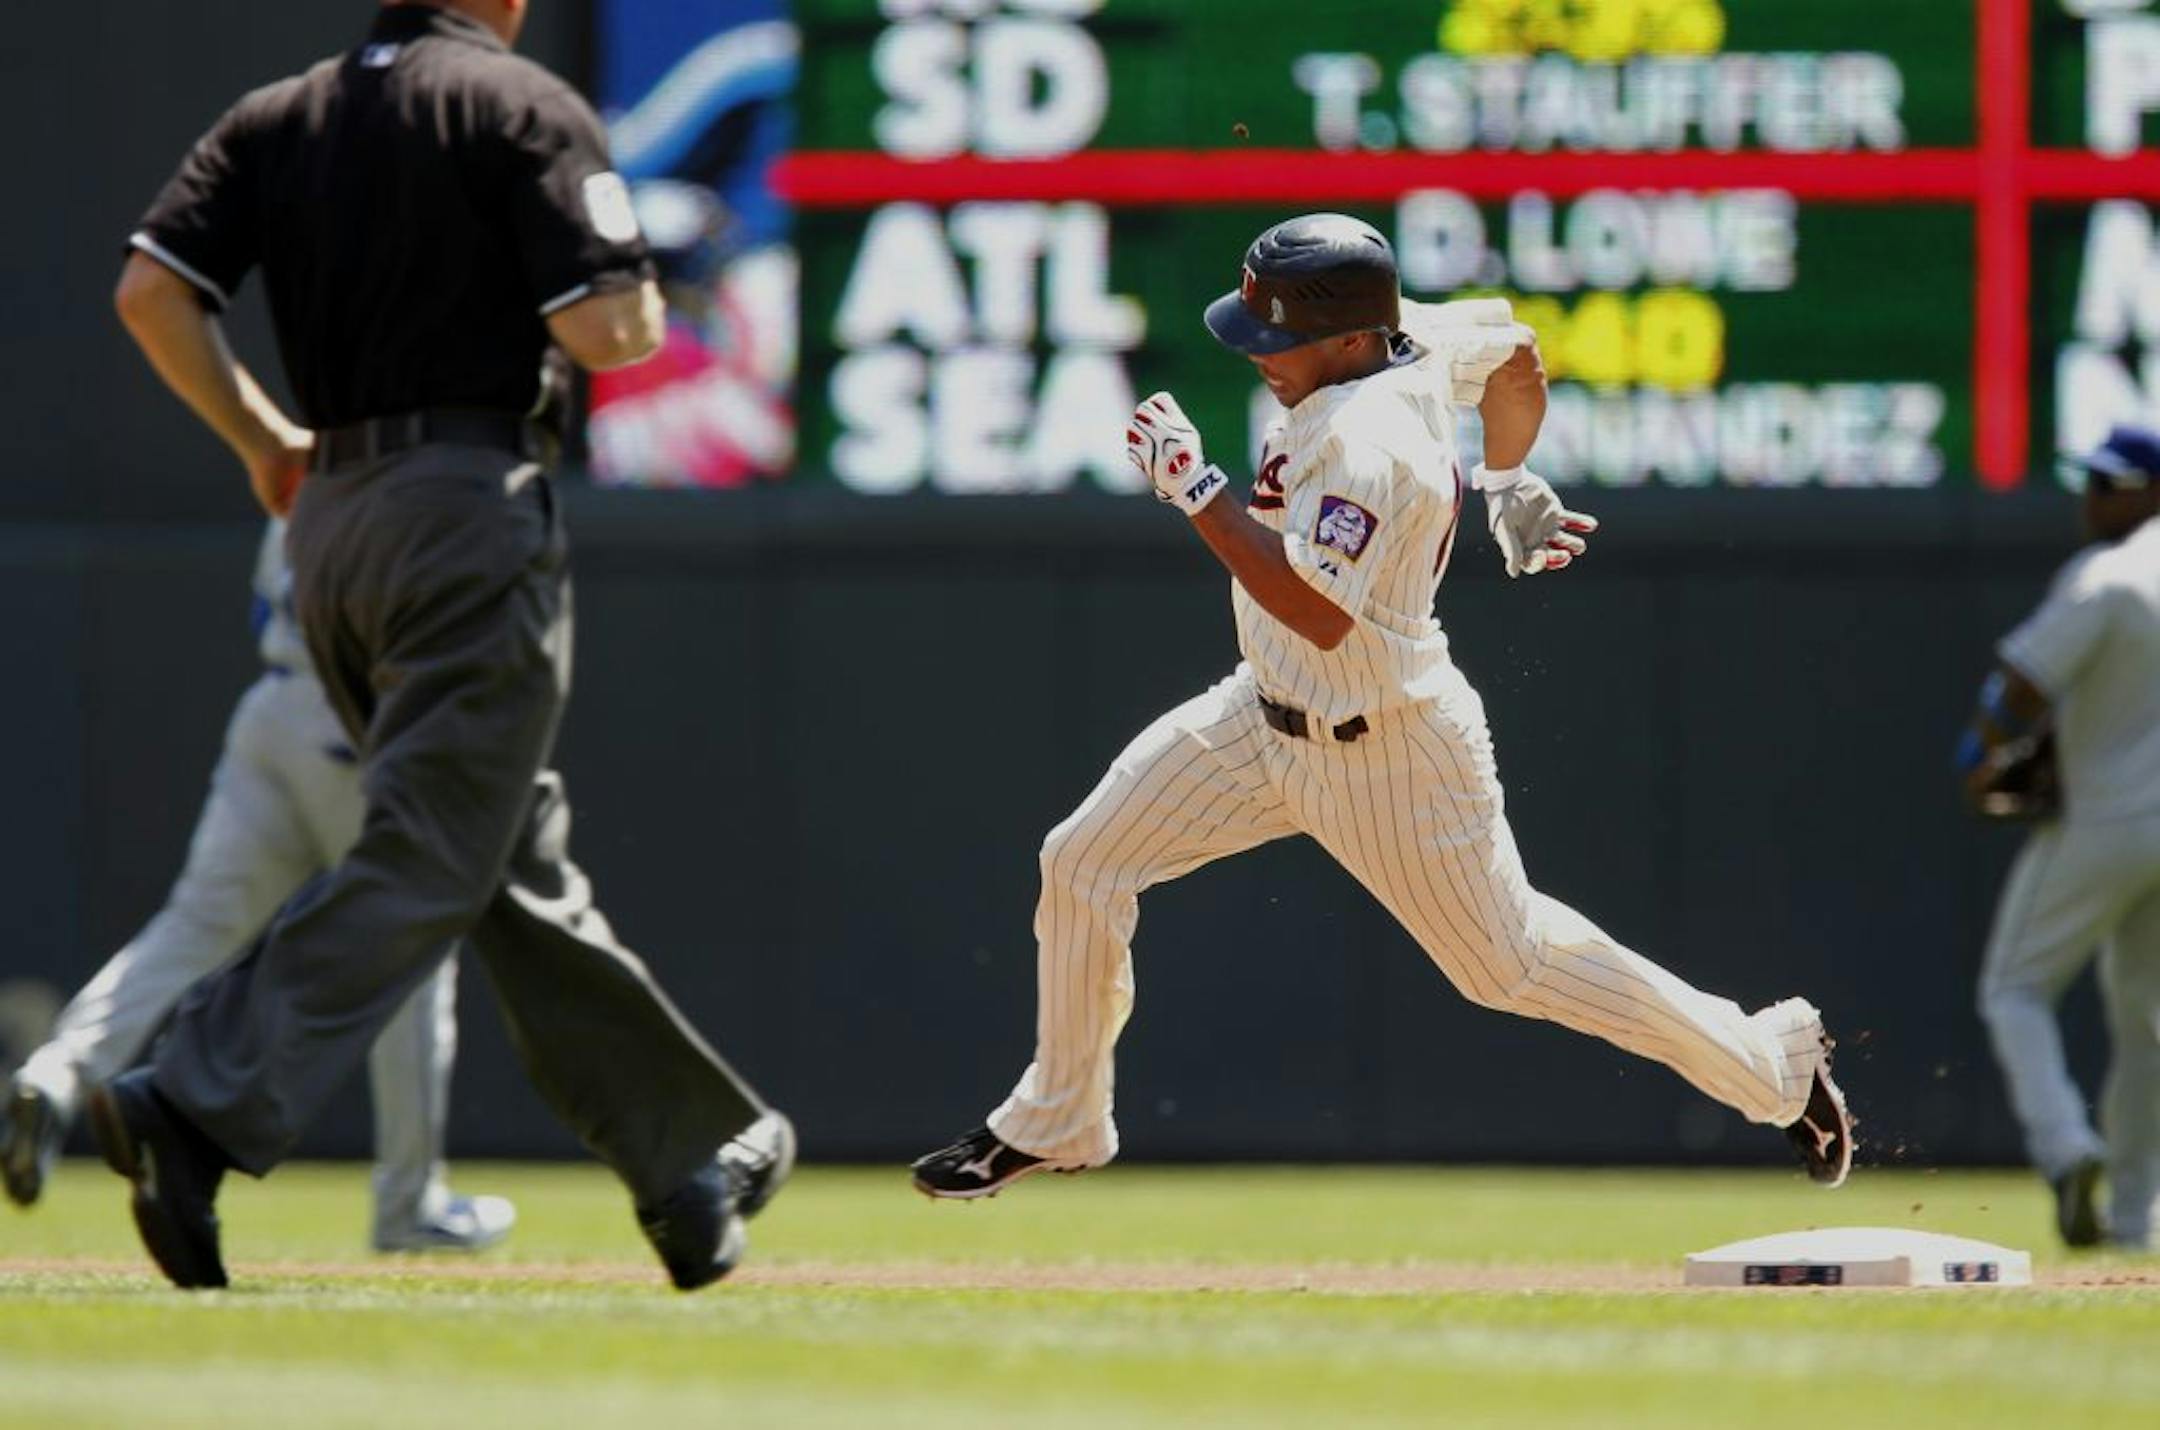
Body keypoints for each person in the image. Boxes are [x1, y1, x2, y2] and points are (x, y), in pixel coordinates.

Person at [911, 213, 1854, 1199]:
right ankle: (1060, 1117)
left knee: (1513, 965)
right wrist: (1508, 472)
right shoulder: (1413, 335)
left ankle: (1768, 1064)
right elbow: (1517, 353)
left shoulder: (1366, 441)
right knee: (1084, 860)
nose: (1262, 354)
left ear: (1354, 338)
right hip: (1259, 712)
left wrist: (1195, 489)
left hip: (1385, 747)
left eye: (1282, 338)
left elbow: (1317, 611)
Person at [98, 0, 791, 1291]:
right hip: (466, 507)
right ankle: (188, 1097)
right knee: (432, 847)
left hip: (333, 533)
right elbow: (605, 331)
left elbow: (153, 292)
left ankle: (691, 1164)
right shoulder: (519, 104)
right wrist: (643, 297)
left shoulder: (279, 114)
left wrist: (262, 438)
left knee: (495, 847)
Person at [2, 523, 512, 1252]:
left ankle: (57, 1073)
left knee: (188, 930)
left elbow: (264, 607)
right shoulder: (397, 469)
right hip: (357, 717)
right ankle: (409, 1203)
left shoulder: (307, 463)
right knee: (416, 952)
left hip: (273, 711)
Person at [1964, 423, 2160, 1251]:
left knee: (2013, 988)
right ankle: (2133, 1217)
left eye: (2111, 484)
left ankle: (2067, 1148)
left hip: (2109, 820)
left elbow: (2022, 683)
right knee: (2146, 1021)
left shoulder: (2109, 578)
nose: (2093, 498)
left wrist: (1979, 759)